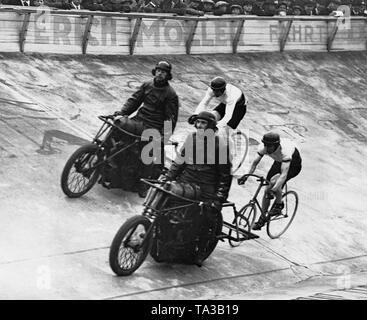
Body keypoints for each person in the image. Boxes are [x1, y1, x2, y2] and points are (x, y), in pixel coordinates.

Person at [163, 111, 232, 266]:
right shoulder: (191, 138)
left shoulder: (220, 145)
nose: (199, 126)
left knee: (206, 217)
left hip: (206, 186)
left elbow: (225, 175)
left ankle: (201, 251)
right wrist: (168, 177)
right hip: (186, 180)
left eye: (203, 123)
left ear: (211, 126)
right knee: (165, 201)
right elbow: (179, 161)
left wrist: (219, 198)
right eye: (198, 122)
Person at [113, 61, 179, 197]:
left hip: (153, 126)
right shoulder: (147, 85)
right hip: (138, 120)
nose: (160, 73)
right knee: (118, 126)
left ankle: (144, 184)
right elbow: (134, 101)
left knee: (147, 154)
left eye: (164, 72)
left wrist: (164, 137)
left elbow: (170, 118)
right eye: (159, 70)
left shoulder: (170, 94)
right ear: (155, 71)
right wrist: (122, 112)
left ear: (168, 75)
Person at [238, 131, 302, 230]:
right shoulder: (263, 148)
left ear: (276, 145)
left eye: (269, 146)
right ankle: (262, 219)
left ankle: (279, 205)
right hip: (278, 162)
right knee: (266, 189)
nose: (267, 148)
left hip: (293, 165)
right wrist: (245, 176)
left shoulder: (285, 152)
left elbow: (283, 175)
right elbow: (254, 163)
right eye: (265, 145)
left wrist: (274, 189)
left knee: (273, 182)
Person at [190, 77, 247, 142]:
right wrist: (196, 115)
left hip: (239, 109)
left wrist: (217, 126)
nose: (215, 93)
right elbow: (204, 103)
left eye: (217, 91)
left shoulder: (231, 96)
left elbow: (228, 116)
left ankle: (228, 148)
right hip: (225, 104)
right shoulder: (211, 91)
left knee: (224, 132)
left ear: (223, 90)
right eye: (214, 90)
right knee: (210, 118)